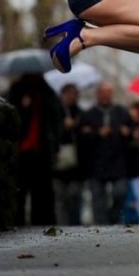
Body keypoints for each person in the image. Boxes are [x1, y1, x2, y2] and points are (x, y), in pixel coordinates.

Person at [7, 73, 62, 226]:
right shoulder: (17, 90)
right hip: (22, 150)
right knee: (19, 191)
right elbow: (10, 116)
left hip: (42, 151)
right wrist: (22, 106)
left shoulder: (48, 92)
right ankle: (17, 222)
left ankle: (42, 223)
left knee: (42, 192)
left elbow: (57, 118)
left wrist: (55, 146)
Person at [79, 81, 132, 225]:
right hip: (96, 163)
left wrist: (127, 132)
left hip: (117, 162)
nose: (105, 96)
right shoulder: (89, 114)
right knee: (97, 197)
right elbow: (82, 136)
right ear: (97, 95)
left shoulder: (120, 112)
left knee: (120, 192)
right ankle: (101, 226)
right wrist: (97, 133)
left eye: (107, 93)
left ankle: (113, 218)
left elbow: (132, 130)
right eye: (102, 93)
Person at [53, 83, 86, 226]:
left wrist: (75, 127)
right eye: (68, 94)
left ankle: (75, 224)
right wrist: (63, 127)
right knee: (60, 197)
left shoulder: (81, 113)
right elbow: (51, 134)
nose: (71, 97)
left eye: (74, 94)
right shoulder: (55, 112)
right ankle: (62, 225)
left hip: (76, 164)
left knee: (74, 195)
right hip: (58, 162)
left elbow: (85, 137)